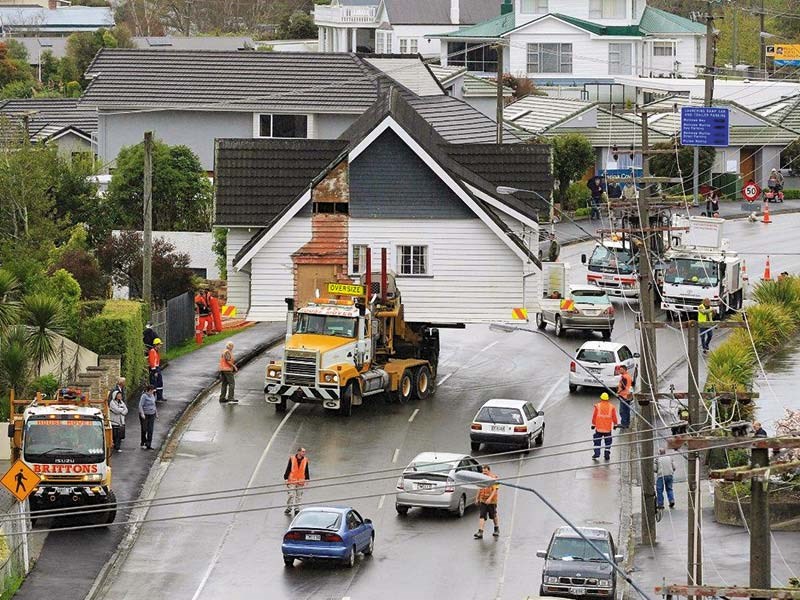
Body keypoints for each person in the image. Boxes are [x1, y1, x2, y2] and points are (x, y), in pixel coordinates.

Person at [473, 464, 500, 539]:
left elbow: (495, 490)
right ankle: (480, 532)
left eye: (485, 472)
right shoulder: (481, 478)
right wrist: (477, 498)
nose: (484, 473)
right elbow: (479, 488)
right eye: (483, 472)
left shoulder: (494, 478)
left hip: (492, 501)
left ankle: (496, 528)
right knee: (482, 516)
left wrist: (490, 499)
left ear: (489, 470)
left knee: (493, 515)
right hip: (483, 500)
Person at [591, 392, 619, 461]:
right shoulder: (611, 407)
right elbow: (614, 417)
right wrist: (615, 425)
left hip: (599, 428)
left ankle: (597, 453)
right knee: (608, 441)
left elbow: (594, 416)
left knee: (597, 441)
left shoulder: (598, 406)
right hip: (607, 429)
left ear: (601, 398)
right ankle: (607, 453)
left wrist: (593, 424)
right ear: (608, 399)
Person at [283, 447, 309, 516]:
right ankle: (289, 507)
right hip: (292, 480)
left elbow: (306, 470)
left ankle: (296, 509)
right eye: (303, 451)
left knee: (299, 496)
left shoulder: (305, 460)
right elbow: (288, 468)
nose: (304, 453)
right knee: (291, 495)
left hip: (301, 481)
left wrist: (307, 479)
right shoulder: (292, 458)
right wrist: (285, 478)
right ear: (298, 452)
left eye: (304, 452)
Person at [138, 384, 158, 450]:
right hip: (145, 415)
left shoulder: (152, 395)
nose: (153, 392)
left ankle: (149, 444)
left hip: (152, 414)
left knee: (150, 430)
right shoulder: (144, 396)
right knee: (144, 429)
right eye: (152, 390)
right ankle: (143, 441)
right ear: (149, 390)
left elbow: (154, 405)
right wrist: (142, 414)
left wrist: (156, 413)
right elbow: (140, 405)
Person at [616, 364, 633, 429]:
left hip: (624, 396)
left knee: (622, 411)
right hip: (628, 395)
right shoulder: (628, 376)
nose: (620, 371)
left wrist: (618, 393)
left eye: (621, 369)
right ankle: (627, 423)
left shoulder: (624, 377)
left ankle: (624, 424)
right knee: (627, 410)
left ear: (625, 370)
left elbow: (623, 387)